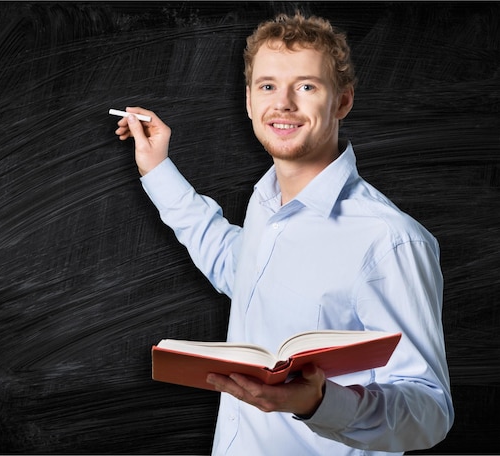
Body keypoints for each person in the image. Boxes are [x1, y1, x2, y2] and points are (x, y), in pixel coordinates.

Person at [114, 11, 454, 456]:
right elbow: (239, 271)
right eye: (268, 86)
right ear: (250, 102)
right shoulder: (265, 202)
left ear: (343, 102)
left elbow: (430, 413)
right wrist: (157, 168)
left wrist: (320, 403)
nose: (284, 104)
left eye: (307, 86)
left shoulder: (389, 240)